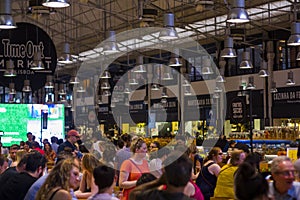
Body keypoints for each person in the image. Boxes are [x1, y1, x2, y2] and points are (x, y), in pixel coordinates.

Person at [129, 153, 193, 200]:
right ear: (189, 177)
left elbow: (133, 194)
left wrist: (158, 181)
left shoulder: (152, 197)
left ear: (164, 175)